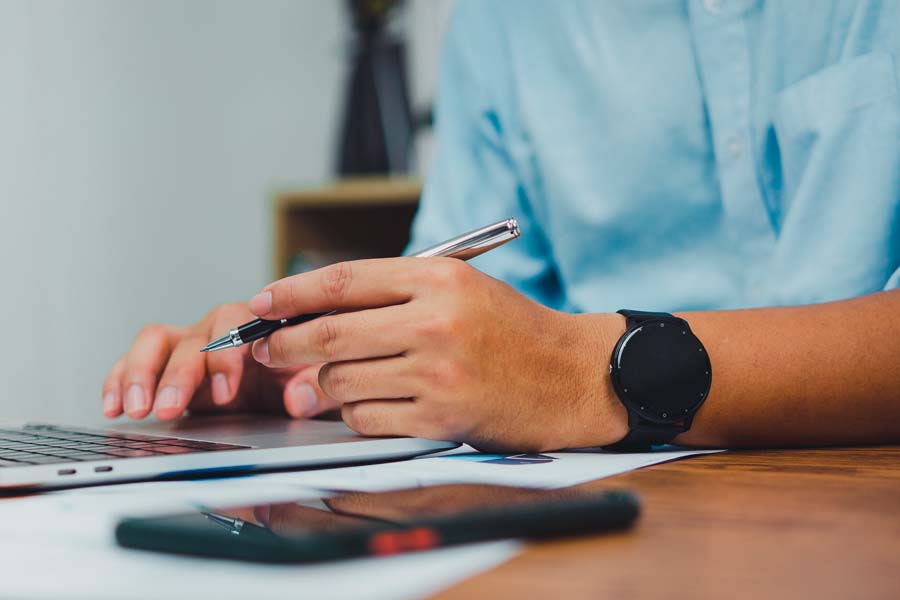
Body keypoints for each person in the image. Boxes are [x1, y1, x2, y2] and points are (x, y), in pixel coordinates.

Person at [102, 0, 900, 451]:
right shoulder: (504, 22)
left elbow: (538, 363)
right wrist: (322, 358)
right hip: (606, 516)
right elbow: (465, 321)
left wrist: (584, 372)